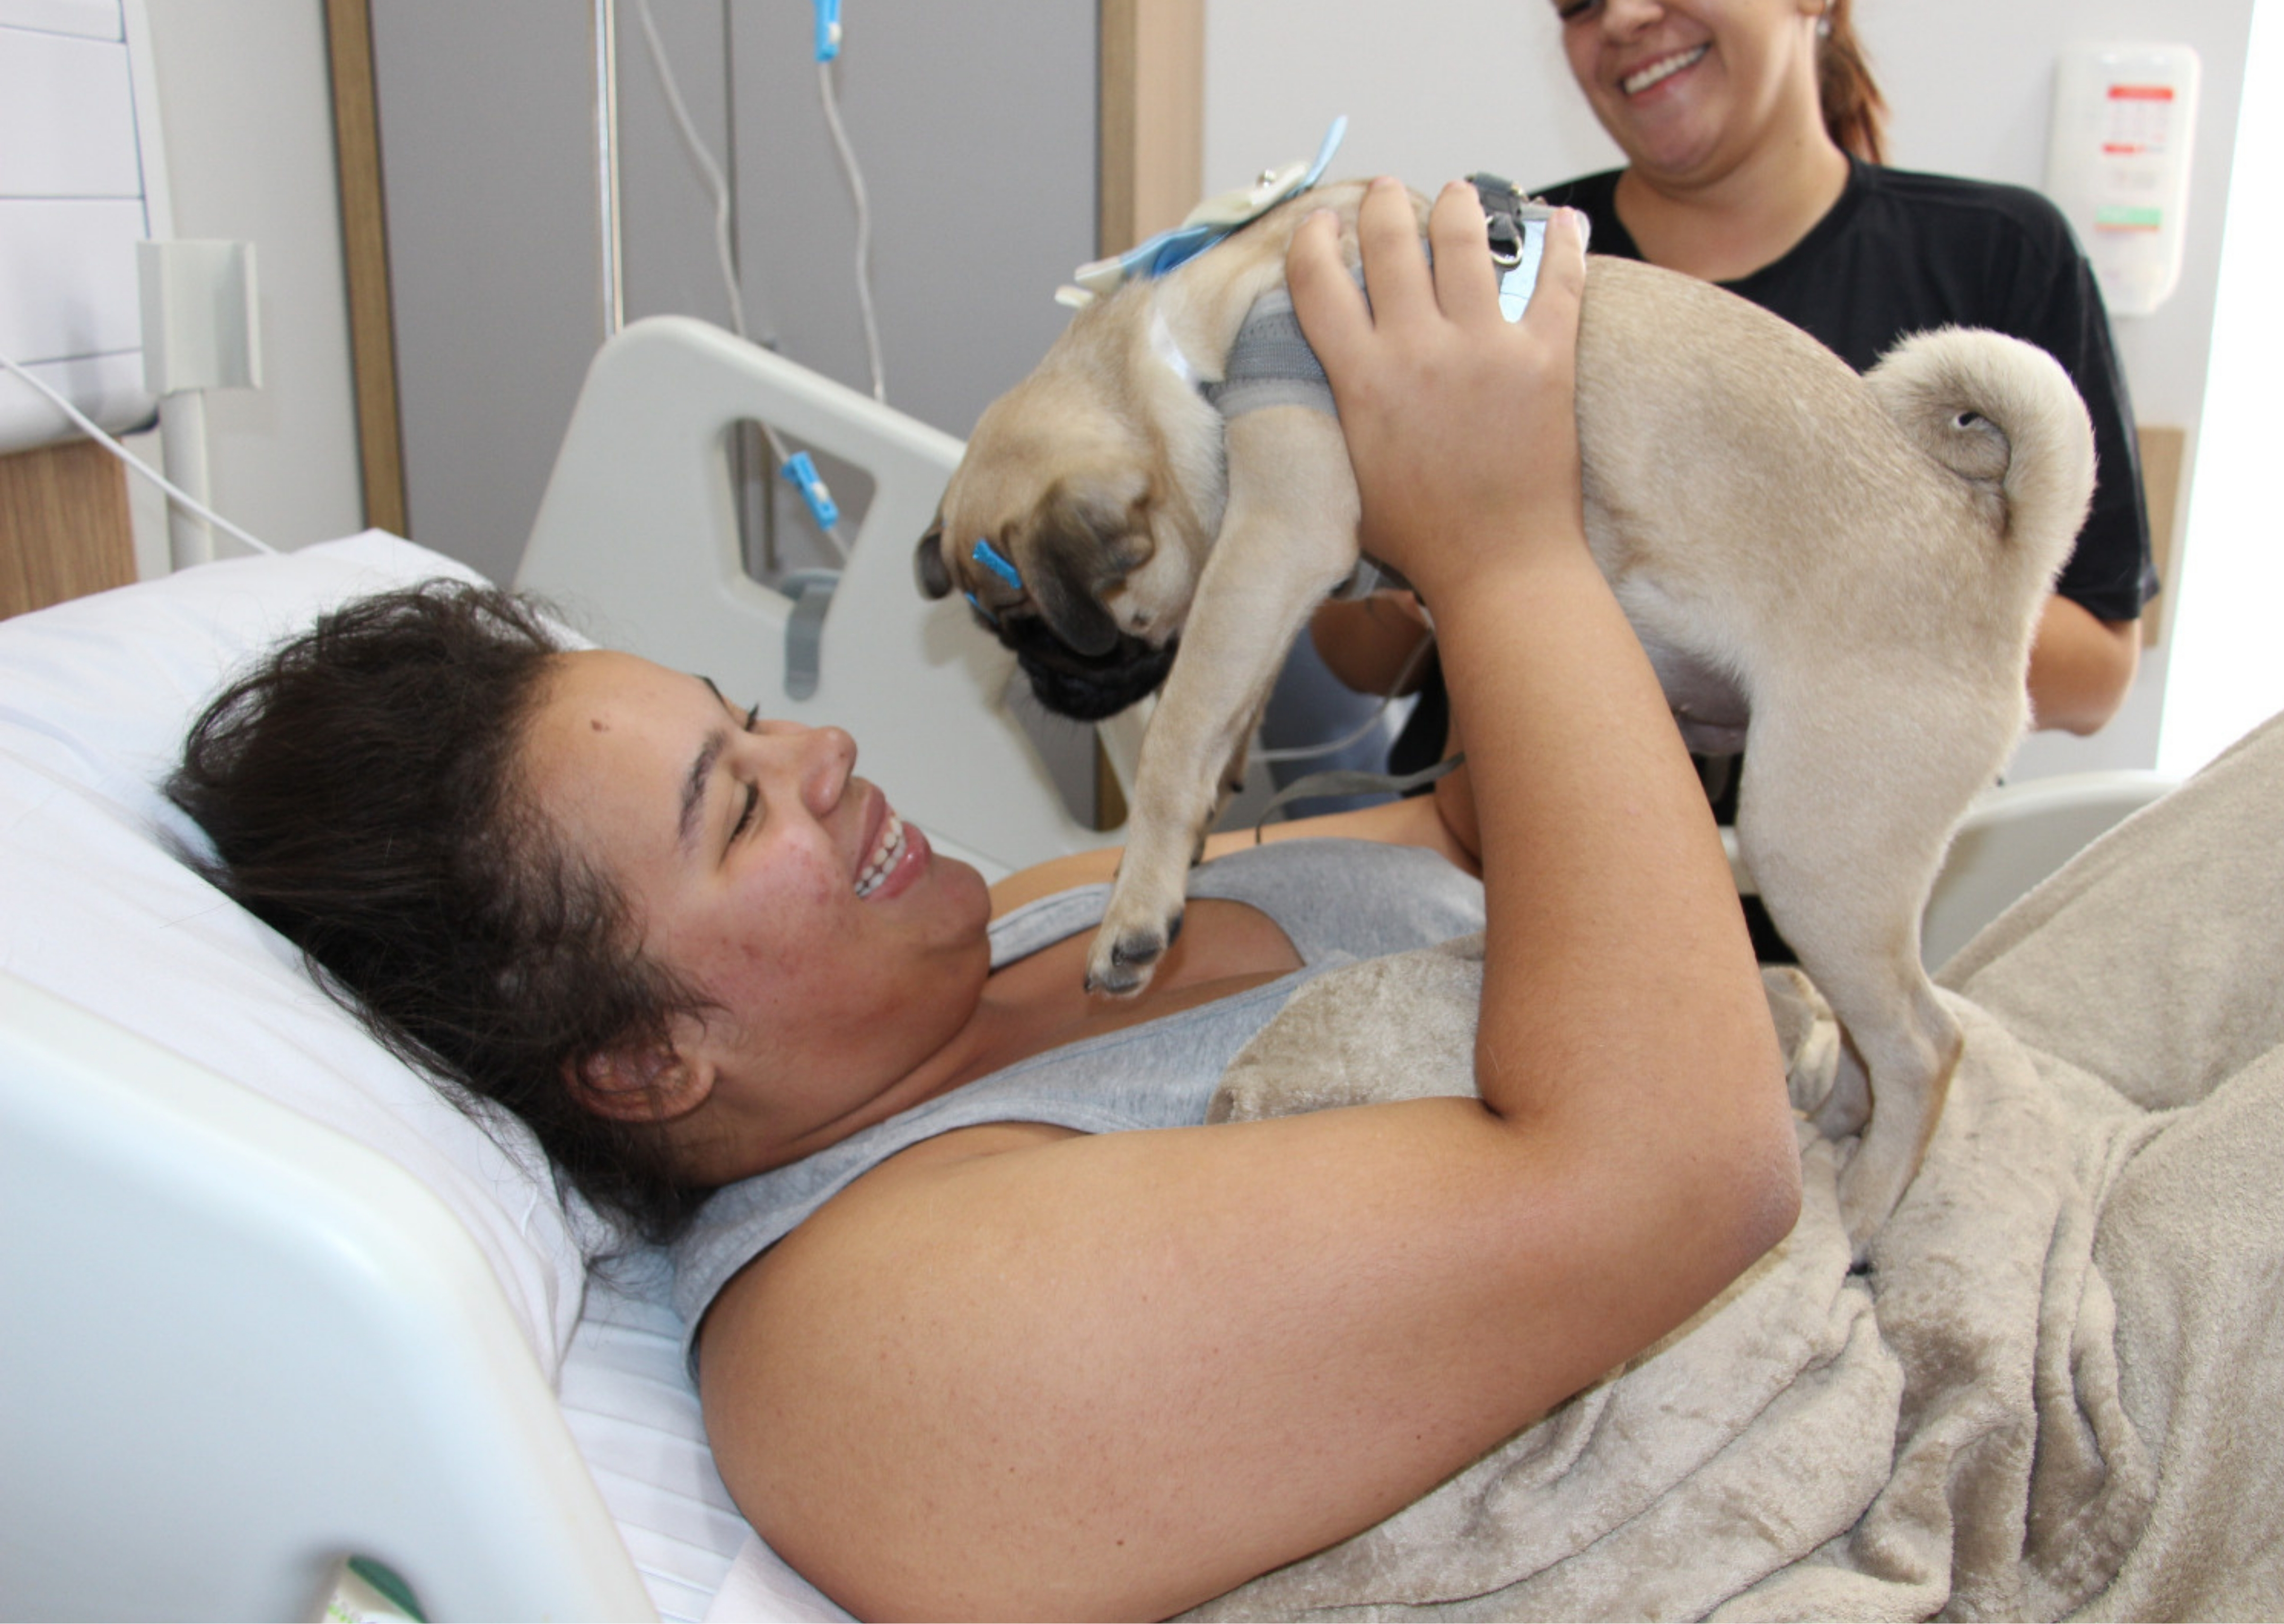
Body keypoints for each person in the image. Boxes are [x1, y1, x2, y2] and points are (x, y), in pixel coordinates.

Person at [166, 180, 1803, 1620]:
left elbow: (1475, 829)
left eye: (749, 715)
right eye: (735, 807)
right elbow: (1679, 1183)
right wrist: (1506, 558)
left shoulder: (1045, 915)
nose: (820, 748)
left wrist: (1382, 509)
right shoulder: (866, 1343)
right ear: (647, 1063)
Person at [1313, 0, 2158, 864]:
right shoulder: (1505, 255)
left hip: (1836, 877)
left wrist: (1758, 618)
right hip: (1498, 869)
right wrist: (1439, 557)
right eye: (1579, 4)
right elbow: (1352, 655)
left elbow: (2094, 670)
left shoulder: (1998, 255)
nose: (1624, 19)